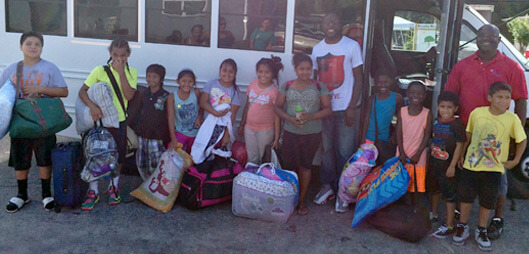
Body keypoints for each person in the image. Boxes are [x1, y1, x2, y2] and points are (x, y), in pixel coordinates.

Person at [444, 24, 528, 239]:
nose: (486, 39)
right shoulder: (461, 66)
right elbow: (449, 99)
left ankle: (497, 219)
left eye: (491, 35)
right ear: (476, 39)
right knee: (464, 177)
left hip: (497, 138)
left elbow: (520, 102)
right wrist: (450, 129)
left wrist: (512, 134)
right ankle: (460, 220)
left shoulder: (513, 67)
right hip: (467, 134)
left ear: (499, 39)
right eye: (481, 35)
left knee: (498, 180)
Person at [452, 82, 526, 251]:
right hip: (472, 166)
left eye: (508, 98)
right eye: (500, 97)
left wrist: (515, 161)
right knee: (466, 197)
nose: (504, 101)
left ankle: (481, 229)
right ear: (490, 97)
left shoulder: (512, 119)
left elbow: (522, 140)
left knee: (487, 201)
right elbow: (468, 136)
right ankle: (463, 226)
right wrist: (462, 154)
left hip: (494, 169)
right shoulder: (477, 113)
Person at [1, 32, 69, 213]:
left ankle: (47, 195)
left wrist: (41, 89)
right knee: (20, 159)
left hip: (43, 122)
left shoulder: (50, 68)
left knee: (44, 158)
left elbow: (64, 91)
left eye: (37, 44)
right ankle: (21, 195)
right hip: (21, 122)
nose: (33, 47)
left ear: (42, 48)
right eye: (28, 43)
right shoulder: (12, 69)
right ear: (21, 47)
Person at [311, 12, 364, 213]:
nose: (330, 24)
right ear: (322, 26)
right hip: (325, 109)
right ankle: (328, 187)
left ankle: (344, 191)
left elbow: (359, 78)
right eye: (326, 22)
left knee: (345, 151)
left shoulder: (351, 46)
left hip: (346, 109)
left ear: (341, 24)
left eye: (334, 20)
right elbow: (316, 81)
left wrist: (352, 106)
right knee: (326, 151)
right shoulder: (317, 49)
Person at [78, 38, 138, 211]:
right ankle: (93, 191)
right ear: (110, 54)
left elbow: (129, 96)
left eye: (123, 55)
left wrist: (121, 73)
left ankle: (113, 186)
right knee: (94, 154)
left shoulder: (131, 72)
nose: (118, 58)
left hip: (118, 121)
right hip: (99, 120)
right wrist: (92, 106)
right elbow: (83, 90)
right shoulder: (99, 70)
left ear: (128, 55)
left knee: (117, 155)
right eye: (115, 55)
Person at [274, 53, 332, 216]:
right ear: (295, 69)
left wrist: (311, 117)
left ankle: (301, 201)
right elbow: (277, 107)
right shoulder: (287, 86)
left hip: (312, 133)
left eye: (308, 69)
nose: (305, 72)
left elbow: (328, 109)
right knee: (289, 166)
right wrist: (290, 119)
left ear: (312, 69)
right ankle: (286, 199)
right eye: (301, 69)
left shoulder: (319, 86)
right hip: (290, 132)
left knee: (305, 166)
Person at [429, 91, 466, 239]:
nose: (445, 110)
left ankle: (449, 225)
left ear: (455, 108)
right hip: (435, 164)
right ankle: (434, 214)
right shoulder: (436, 122)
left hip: (448, 168)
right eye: (442, 107)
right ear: (437, 106)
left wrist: (452, 166)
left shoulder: (457, 125)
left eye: (449, 107)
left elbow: (459, 145)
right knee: (434, 190)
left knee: (449, 196)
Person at [238, 56, 283, 165]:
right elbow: (247, 106)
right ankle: (252, 180)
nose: (263, 75)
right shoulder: (252, 85)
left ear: (273, 74)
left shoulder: (274, 91)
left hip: (265, 130)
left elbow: (277, 116)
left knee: (265, 158)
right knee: (252, 158)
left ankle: (262, 181)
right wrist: (242, 125)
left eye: (267, 72)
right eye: (260, 71)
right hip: (249, 129)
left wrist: (277, 137)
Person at [135, 64, 171, 180]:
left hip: (157, 137)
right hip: (142, 135)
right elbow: (138, 112)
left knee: (156, 163)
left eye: (155, 77)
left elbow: (169, 117)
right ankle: (146, 185)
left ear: (161, 79)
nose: (151, 79)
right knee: (142, 162)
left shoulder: (166, 96)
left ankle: (156, 186)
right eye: (148, 76)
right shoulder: (143, 94)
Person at [396, 81, 432, 193]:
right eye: (412, 92)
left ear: (425, 96)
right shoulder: (402, 111)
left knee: (417, 183)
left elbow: (427, 136)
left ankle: (415, 207)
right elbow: (399, 133)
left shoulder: (427, 113)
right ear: (407, 93)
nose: (415, 96)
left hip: (419, 154)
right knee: (400, 181)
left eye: (419, 93)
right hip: (403, 151)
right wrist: (401, 152)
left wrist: (418, 153)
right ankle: (403, 206)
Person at [360, 70, 403, 163]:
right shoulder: (372, 99)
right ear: (375, 83)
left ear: (391, 82)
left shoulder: (397, 98)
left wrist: (395, 134)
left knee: (382, 164)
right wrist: (362, 138)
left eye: (386, 82)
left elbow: (400, 118)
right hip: (369, 137)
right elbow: (366, 119)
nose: (383, 85)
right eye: (379, 82)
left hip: (385, 137)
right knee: (368, 164)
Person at [199, 58, 241, 148]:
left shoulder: (235, 91)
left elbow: (232, 114)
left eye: (231, 72)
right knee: (205, 152)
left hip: (223, 128)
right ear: (219, 71)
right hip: (208, 126)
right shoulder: (211, 83)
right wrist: (215, 113)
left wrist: (227, 135)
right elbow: (202, 102)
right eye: (224, 70)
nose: (227, 74)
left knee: (220, 153)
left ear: (235, 74)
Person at [168, 69, 203, 154]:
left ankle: (191, 168)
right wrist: (173, 138)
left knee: (193, 157)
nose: (187, 84)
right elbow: (171, 118)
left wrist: (199, 118)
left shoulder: (196, 93)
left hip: (195, 133)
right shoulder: (172, 97)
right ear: (178, 81)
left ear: (194, 83)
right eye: (184, 81)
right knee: (173, 153)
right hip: (180, 132)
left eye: (190, 81)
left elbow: (202, 107)